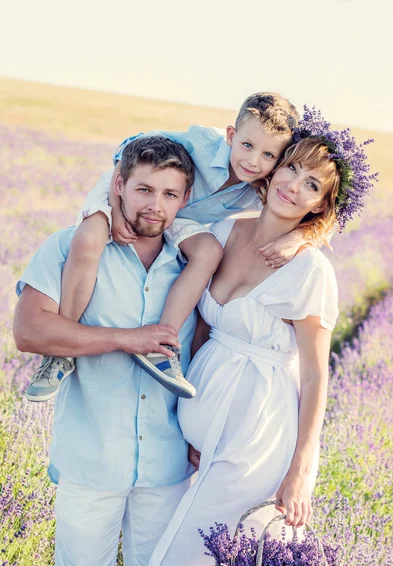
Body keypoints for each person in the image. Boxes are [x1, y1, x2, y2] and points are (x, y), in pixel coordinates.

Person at [138, 108, 377, 566]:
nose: (293, 185)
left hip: (257, 431)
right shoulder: (226, 231)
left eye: (313, 185)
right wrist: (193, 419)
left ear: (321, 205)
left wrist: (300, 473)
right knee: (182, 555)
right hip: (203, 421)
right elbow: (202, 325)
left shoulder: (311, 271)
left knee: (185, 565)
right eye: (291, 167)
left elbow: (315, 378)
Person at [26, 92, 317, 403]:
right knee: (89, 239)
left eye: (268, 156)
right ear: (232, 135)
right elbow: (132, 147)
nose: (254, 161)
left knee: (208, 252)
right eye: (247, 145)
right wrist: (114, 207)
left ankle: (161, 346)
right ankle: (59, 355)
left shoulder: (262, 186)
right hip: (131, 191)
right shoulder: (204, 142)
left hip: (174, 214)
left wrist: (300, 237)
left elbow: (312, 212)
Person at [13, 136, 200, 566]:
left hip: (168, 464)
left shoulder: (193, 265)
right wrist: (126, 339)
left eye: (170, 194)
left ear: (185, 199)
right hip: (91, 460)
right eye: (144, 190)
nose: (155, 206)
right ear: (117, 185)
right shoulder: (68, 245)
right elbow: (30, 332)